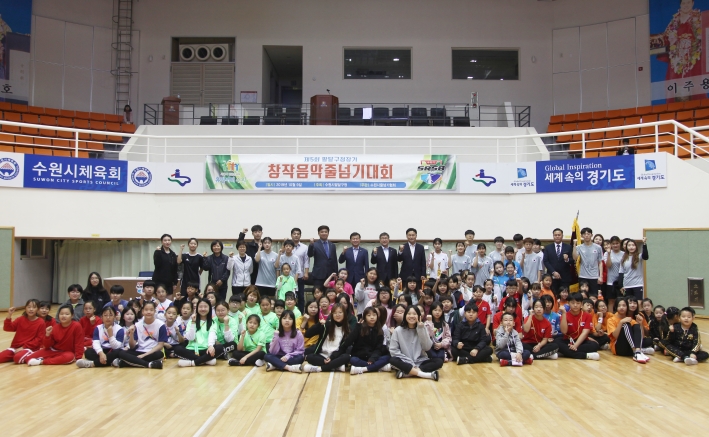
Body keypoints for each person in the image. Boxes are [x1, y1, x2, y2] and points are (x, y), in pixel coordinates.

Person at [389, 305, 442, 380]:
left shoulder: (423, 328)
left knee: (439, 361)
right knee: (393, 360)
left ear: (419, 316)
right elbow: (393, 351)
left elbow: (427, 347)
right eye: (409, 314)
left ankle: (407, 374)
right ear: (405, 316)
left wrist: (421, 329)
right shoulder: (398, 330)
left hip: (420, 361)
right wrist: (410, 362)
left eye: (414, 314)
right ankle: (425, 374)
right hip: (405, 361)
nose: (411, 316)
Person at [115, 301, 167, 369]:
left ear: (155, 311)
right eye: (146, 310)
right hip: (139, 351)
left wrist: (144, 355)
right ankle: (149, 364)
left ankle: (127, 362)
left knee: (159, 354)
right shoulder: (137, 325)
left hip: (152, 352)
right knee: (121, 353)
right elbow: (132, 346)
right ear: (142, 311)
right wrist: (131, 334)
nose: (148, 312)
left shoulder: (161, 325)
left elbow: (160, 345)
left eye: (151, 310)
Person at [303, 304, 352, 373]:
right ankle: (336, 366)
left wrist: (331, 358)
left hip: (335, 356)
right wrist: (319, 324)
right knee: (309, 357)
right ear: (332, 314)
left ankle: (319, 369)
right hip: (322, 355)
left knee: (347, 357)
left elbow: (342, 348)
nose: (337, 315)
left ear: (344, 314)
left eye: (340, 312)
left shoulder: (347, 329)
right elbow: (307, 334)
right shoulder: (327, 325)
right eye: (335, 313)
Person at [173, 299, 223, 367]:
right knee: (177, 349)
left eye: (205, 307)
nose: (203, 309)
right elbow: (191, 338)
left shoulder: (213, 322)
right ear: (197, 308)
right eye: (200, 307)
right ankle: (205, 360)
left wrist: (211, 346)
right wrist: (193, 322)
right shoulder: (191, 322)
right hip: (191, 350)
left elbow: (212, 335)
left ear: (209, 308)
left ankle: (192, 363)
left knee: (220, 348)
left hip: (206, 350)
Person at [344, 307, 391, 375]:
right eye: (369, 315)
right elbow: (348, 341)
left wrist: (372, 358)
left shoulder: (379, 330)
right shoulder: (359, 327)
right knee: (353, 360)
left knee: (387, 357)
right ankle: (379, 367)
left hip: (373, 357)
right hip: (360, 356)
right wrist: (356, 327)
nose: (372, 317)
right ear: (365, 317)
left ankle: (364, 369)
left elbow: (378, 348)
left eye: (374, 315)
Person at [607, 297, 653, 364]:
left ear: (627, 307)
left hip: (629, 350)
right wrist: (621, 322)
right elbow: (615, 336)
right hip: (619, 349)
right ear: (616, 307)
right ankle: (637, 352)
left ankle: (638, 351)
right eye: (619, 306)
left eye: (624, 305)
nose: (622, 307)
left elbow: (641, 337)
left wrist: (640, 324)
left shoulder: (631, 319)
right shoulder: (611, 320)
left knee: (636, 325)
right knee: (626, 325)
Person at [555, 293, 600, 360]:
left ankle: (566, 352)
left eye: (578, 303)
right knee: (556, 343)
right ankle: (586, 355)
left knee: (594, 345)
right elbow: (564, 331)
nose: (575, 305)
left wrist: (575, 345)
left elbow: (585, 333)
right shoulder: (564, 315)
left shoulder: (587, 316)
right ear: (568, 303)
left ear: (581, 304)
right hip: (568, 340)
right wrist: (564, 313)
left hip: (581, 341)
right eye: (573, 303)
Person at [1, 300, 45, 364]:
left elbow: (39, 339)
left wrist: (23, 347)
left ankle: (34, 356)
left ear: (38, 309)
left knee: (17, 358)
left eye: (34, 307)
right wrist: (9, 314)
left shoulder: (41, 322)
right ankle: (19, 355)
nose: (31, 309)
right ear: (25, 308)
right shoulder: (20, 319)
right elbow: (7, 328)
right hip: (15, 347)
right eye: (29, 307)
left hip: (30, 348)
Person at [572, 227, 603, 300]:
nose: (586, 235)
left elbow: (600, 262)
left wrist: (600, 276)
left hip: (594, 276)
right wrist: (574, 245)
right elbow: (575, 258)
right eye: (584, 234)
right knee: (583, 296)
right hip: (583, 275)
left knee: (594, 296)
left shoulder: (598, 247)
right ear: (582, 236)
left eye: (588, 234)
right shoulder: (579, 247)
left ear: (591, 235)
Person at [543, 228, 574, 296]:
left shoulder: (568, 247)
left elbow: (572, 260)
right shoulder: (548, 247)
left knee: (564, 295)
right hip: (552, 277)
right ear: (553, 236)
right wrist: (553, 272)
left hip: (565, 277)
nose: (557, 236)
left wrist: (567, 259)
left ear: (562, 236)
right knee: (553, 295)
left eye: (559, 235)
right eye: (555, 235)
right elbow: (546, 261)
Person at [290, 228, 310, 313]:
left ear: (300, 235)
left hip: (300, 276)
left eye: (298, 234)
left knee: (301, 296)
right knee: (289, 296)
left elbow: (306, 261)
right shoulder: (287, 246)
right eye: (294, 234)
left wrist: (306, 272)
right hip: (289, 277)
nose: (296, 235)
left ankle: (301, 314)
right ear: (291, 235)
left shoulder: (304, 247)